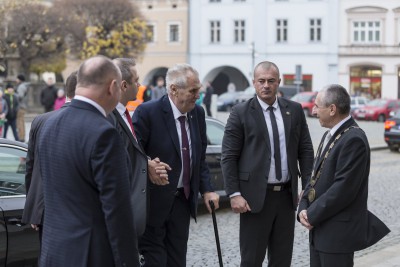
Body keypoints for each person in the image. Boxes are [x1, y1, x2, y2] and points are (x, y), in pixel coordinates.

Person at [37, 56, 140, 266]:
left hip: (54, 252)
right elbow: (117, 210)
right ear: (112, 87)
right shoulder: (104, 133)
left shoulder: (48, 124)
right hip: (91, 254)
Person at [221, 61, 314, 267]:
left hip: (286, 198)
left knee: (282, 260)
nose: (266, 85)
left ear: (279, 82)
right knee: (252, 259)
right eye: (261, 81)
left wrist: (308, 188)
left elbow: (305, 151)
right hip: (253, 200)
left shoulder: (295, 110)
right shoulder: (241, 112)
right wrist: (234, 194)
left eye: (271, 81)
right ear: (253, 83)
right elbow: (228, 155)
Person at [133, 63, 220, 267]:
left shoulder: (197, 113)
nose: (198, 95)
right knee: (155, 261)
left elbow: (199, 158)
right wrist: (148, 164)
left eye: (198, 89)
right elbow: (132, 153)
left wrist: (207, 190)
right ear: (173, 89)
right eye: (193, 90)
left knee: (177, 260)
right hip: (152, 204)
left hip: (182, 202)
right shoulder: (148, 112)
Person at [298, 84, 390, 267]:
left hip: (337, 235)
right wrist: (303, 206)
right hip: (319, 231)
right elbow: (314, 177)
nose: (314, 111)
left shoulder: (353, 139)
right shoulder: (328, 135)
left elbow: (343, 189)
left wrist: (311, 215)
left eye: (317, 106)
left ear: (332, 109)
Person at [108, 58, 171, 241]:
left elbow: (129, 150)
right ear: (124, 85)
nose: (140, 85)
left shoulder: (125, 113)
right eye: (137, 80)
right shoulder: (109, 117)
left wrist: (148, 162)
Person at [22, 71, 77, 247]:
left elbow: (30, 167)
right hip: (74, 212)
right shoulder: (91, 120)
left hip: (45, 211)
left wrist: (34, 209)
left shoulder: (40, 120)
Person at [15, 74, 29, 142]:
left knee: (19, 122)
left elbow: (20, 96)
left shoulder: (21, 87)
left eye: (17, 79)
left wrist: (14, 95)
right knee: (22, 122)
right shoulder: (24, 86)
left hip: (20, 107)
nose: (16, 80)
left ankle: (21, 138)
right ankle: (22, 137)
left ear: (20, 79)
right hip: (23, 106)